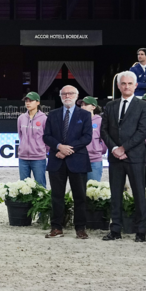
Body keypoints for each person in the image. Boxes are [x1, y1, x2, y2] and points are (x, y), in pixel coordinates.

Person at [101, 71, 146, 242]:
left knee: (139, 194)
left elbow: (142, 132)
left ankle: (141, 231)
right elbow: (104, 130)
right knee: (115, 194)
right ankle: (115, 230)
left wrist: (124, 148)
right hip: (115, 157)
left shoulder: (143, 106)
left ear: (135, 86)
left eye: (130, 84)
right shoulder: (110, 106)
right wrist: (115, 148)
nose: (126, 86)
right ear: (118, 86)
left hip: (135, 156)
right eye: (123, 83)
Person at [42, 85, 92, 240]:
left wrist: (68, 149)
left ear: (76, 96)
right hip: (56, 160)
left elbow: (87, 137)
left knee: (80, 196)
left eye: (70, 93)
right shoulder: (53, 114)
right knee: (56, 196)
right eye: (64, 94)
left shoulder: (85, 115)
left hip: (77, 160)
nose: (67, 96)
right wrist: (59, 147)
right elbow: (46, 136)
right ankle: (56, 227)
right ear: (60, 96)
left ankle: (80, 228)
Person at [17, 92, 48, 187]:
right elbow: (20, 135)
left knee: (40, 186)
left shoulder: (44, 119)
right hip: (23, 158)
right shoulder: (21, 118)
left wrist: (42, 150)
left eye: (31, 101)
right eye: (26, 101)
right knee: (23, 187)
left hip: (38, 158)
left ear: (38, 102)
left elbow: (47, 137)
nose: (28, 103)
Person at [80, 97, 106, 183]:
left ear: (93, 107)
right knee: (79, 188)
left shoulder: (100, 121)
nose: (82, 107)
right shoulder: (77, 121)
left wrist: (98, 150)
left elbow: (104, 139)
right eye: (82, 105)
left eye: (86, 104)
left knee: (93, 187)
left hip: (94, 160)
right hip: (79, 159)